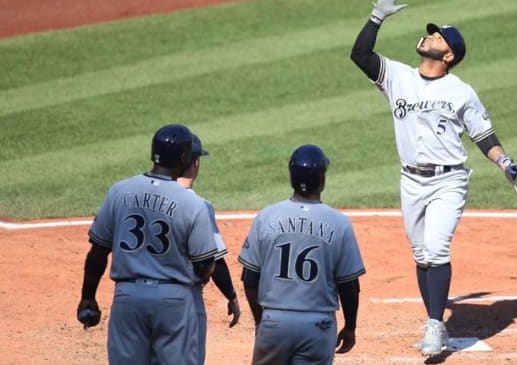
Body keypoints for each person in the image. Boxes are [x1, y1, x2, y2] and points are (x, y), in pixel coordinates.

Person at [350, 0, 517, 357]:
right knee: (420, 255)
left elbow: (483, 135)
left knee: (436, 247)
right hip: (410, 180)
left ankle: (435, 326)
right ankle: (436, 319)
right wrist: (376, 17)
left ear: (448, 55)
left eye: (437, 37)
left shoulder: (460, 91)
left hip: (449, 180)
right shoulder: (397, 76)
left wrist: (505, 163)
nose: (428, 36)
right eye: (430, 33)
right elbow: (360, 55)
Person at [76, 124, 218, 365]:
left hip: (127, 298)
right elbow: (204, 264)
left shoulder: (119, 191)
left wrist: (88, 297)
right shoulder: (191, 203)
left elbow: (98, 251)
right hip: (173, 299)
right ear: (184, 157)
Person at [238, 144, 365, 365]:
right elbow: (348, 285)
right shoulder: (339, 223)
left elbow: (250, 280)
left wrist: (261, 321)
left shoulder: (266, 217)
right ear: (322, 180)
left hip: (274, 322)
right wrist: (350, 326)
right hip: (317, 325)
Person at [176, 133, 241, 364]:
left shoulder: (137, 196)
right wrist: (232, 296)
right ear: (195, 163)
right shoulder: (199, 206)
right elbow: (212, 262)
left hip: (133, 297)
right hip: (181, 302)